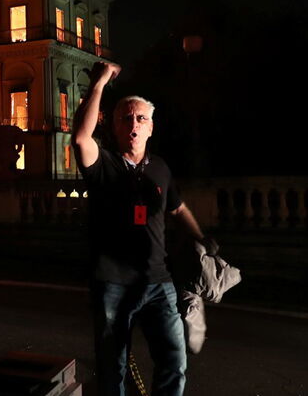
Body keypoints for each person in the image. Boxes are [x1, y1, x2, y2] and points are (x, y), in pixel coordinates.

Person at [71, 61, 210, 396]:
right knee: (112, 365)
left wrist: (202, 241)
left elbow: (178, 208)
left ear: (151, 127)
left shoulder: (160, 167)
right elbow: (79, 138)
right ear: (114, 127)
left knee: (174, 361)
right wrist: (101, 81)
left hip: (158, 282)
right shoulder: (102, 164)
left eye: (141, 119)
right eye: (125, 118)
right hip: (113, 282)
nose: (133, 125)